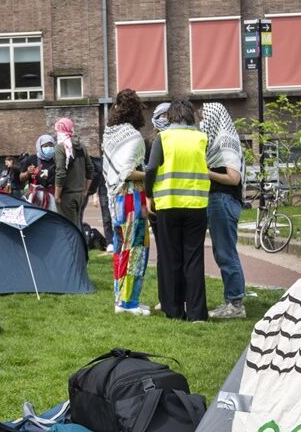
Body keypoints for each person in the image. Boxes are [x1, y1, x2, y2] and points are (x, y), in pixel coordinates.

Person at [145, 100, 210, 322]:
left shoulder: (163, 138)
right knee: (194, 258)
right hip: (197, 205)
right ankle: (197, 313)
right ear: (191, 116)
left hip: (168, 203)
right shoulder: (202, 138)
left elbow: (152, 167)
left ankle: (173, 310)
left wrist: (148, 194)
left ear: (171, 117)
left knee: (171, 257)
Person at [101, 90, 151, 316]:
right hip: (131, 197)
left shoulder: (110, 134)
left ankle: (119, 298)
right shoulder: (133, 136)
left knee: (121, 249)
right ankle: (130, 302)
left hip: (115, 198)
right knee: (136, 249)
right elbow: (128, 172)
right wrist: (151, 174)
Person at [200, 102, 249, 320]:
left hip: (223, 199)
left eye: (204, 117)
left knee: (226, 253)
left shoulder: (225, 141)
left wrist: (205, 172)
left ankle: (236, 303)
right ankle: (230, 300)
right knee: (222, 252)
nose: (202, 121)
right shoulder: (220, 140)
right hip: (220, 200)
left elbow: (233, 177)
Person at [51, 118, 92, 229]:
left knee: (68, 230)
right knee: (77, 226)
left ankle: (75, 247)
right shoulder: (81, 146)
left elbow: (60, 172)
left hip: (67, 196)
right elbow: (90, 168)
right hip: (79, 195)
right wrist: (85, 191)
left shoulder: (60, 148)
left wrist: (57, 195)